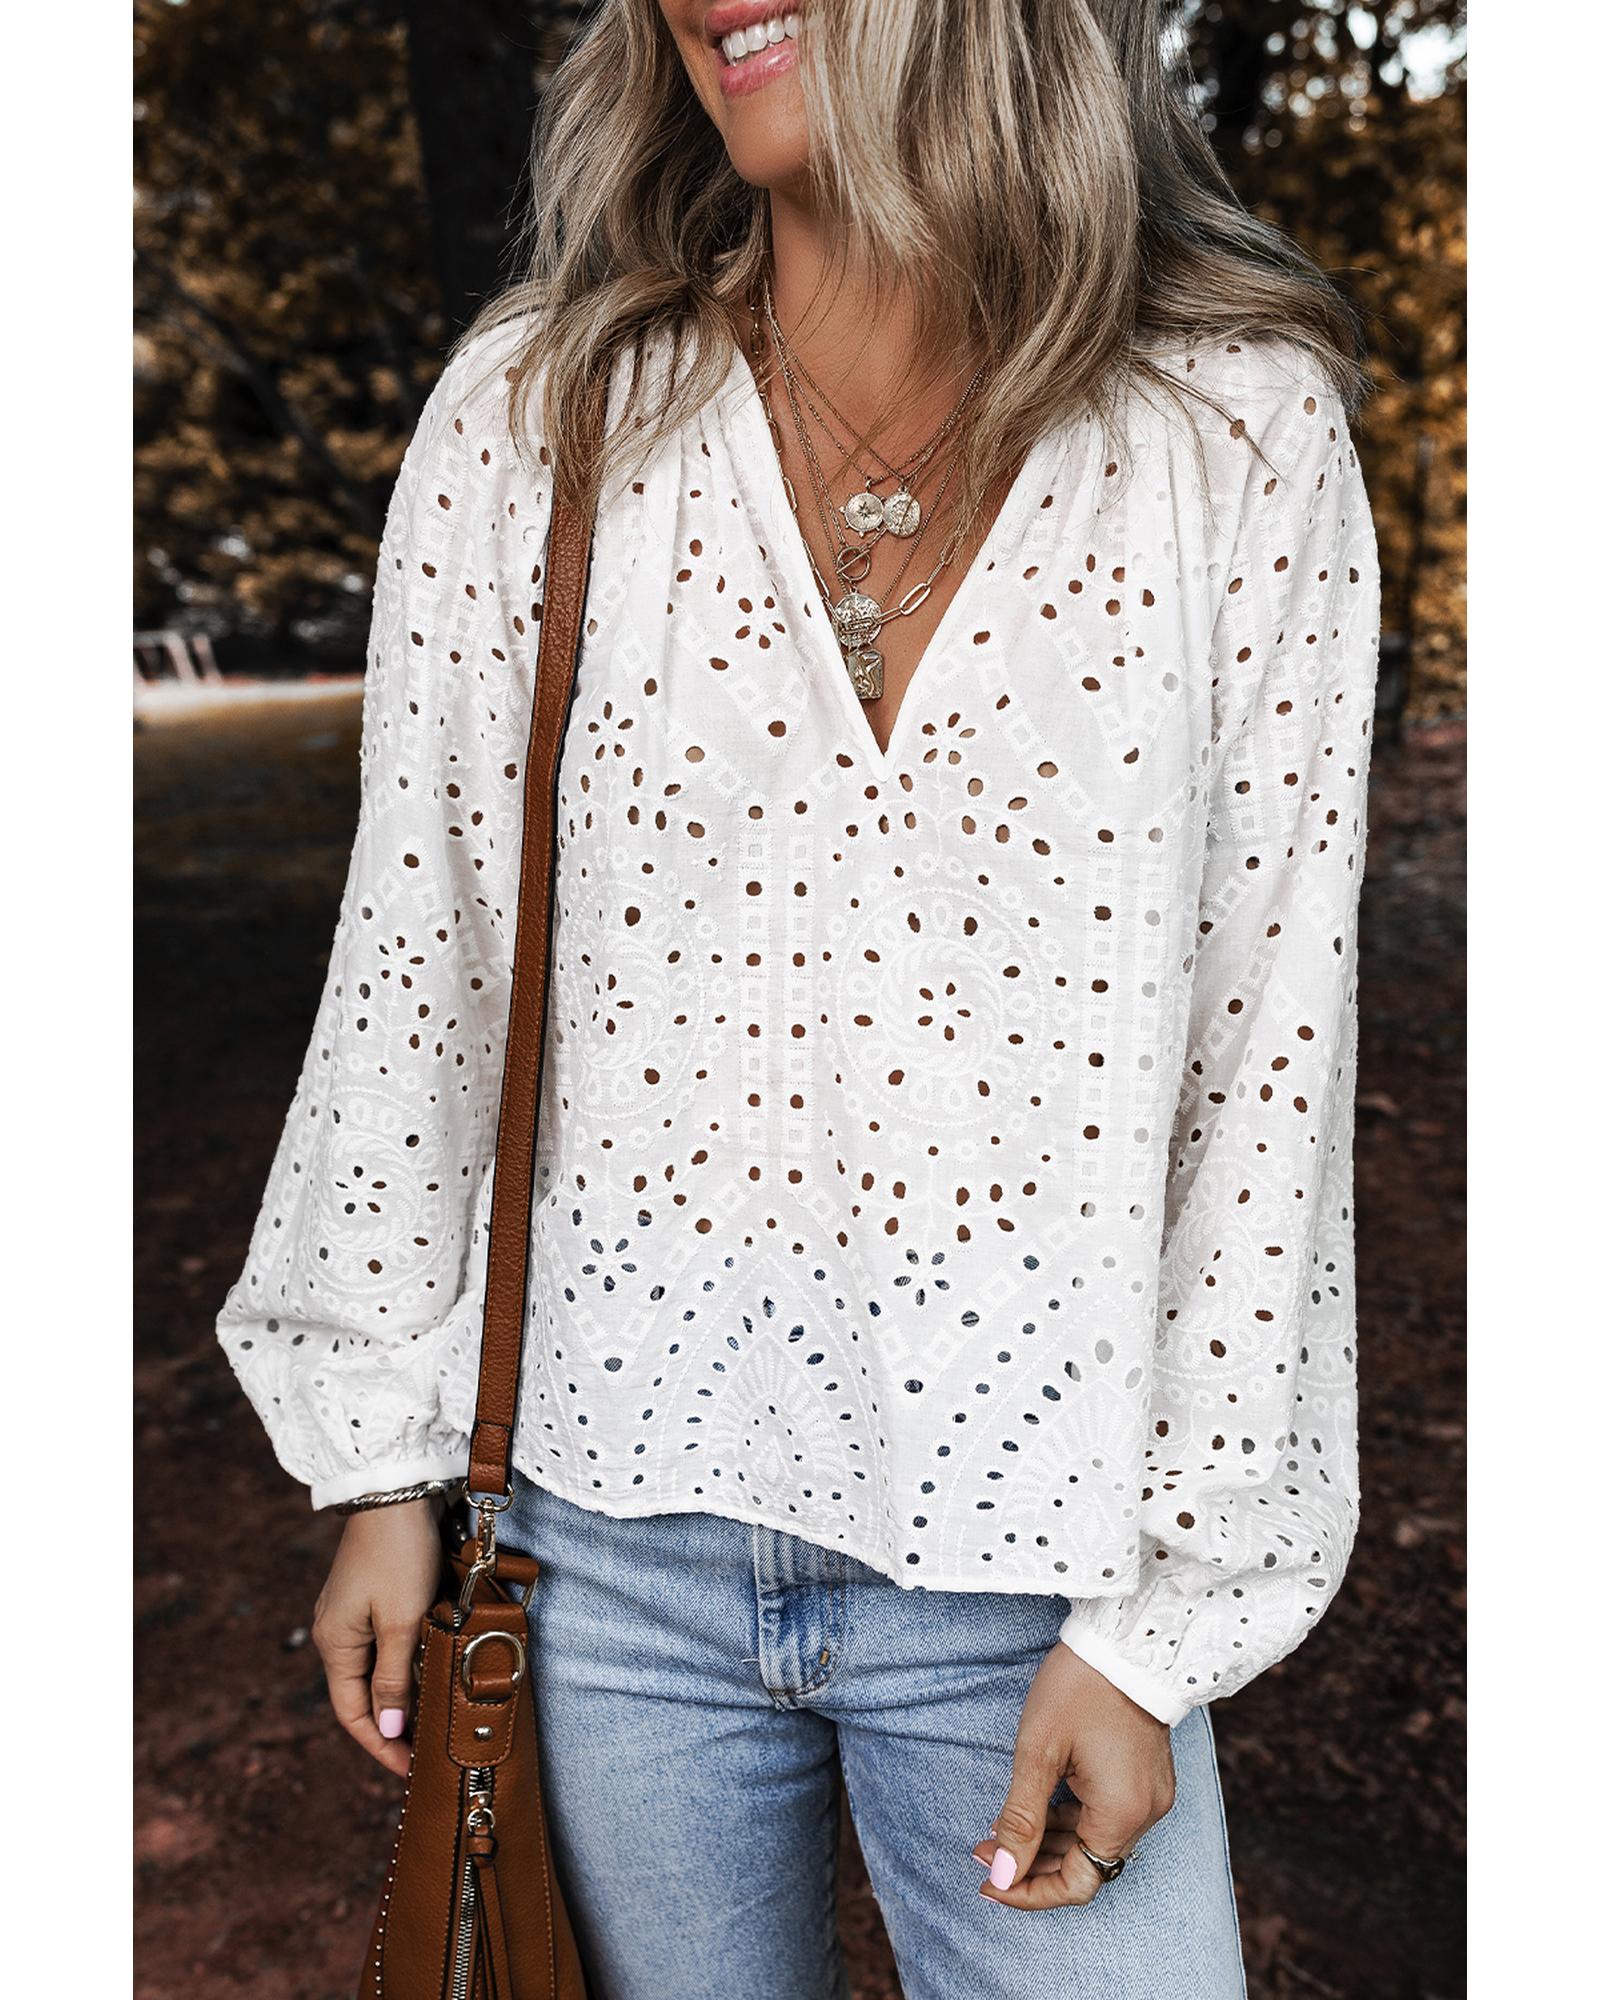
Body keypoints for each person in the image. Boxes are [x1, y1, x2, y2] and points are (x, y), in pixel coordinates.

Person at [216, 4, 1381, 1995]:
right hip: (598, 1560)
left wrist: (1159, 1627)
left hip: (1041, 1574)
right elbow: (422, 954)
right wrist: (388, 1462)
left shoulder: (1230, 435)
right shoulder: (541, 414)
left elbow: (1264, 1066)